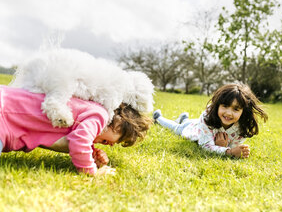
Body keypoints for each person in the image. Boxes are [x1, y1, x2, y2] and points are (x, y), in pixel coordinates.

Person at [0, 85, 152, 176]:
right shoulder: (100, 116)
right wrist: (92, 171)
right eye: (106, 141)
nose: (106, 144)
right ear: (117, 124)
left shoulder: (89, 110)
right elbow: (79, 141)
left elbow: (72, 138)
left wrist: (92, 155)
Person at [153, 83, 268, 158]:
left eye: (236, 109)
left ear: (243, 111)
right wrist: (229, 152)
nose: (228, 113)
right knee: (177, 128)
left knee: (186, 122)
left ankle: (184, 118)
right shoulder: (207, 117)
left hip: (197, 123)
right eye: (225, 106)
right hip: (193, 129)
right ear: (217, 105)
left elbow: (233, 146)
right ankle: (158, 118)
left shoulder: (242, 126)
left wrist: (226, 147)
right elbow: (206, 146)